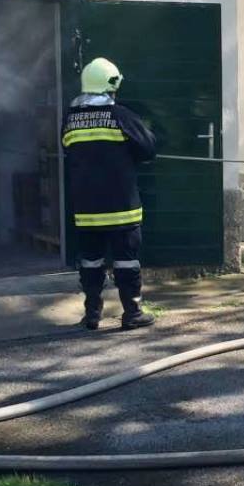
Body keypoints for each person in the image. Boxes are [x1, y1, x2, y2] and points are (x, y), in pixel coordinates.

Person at [62, 58, 158, 331]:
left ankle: (92, 314)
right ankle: (132, 313)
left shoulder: (71, 119)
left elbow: (68, 149)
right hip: (121, 207)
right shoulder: (120, 116)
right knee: (126, 261)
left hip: (86, 209)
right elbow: (148, 148)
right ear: (111, 85)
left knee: (90, 261)